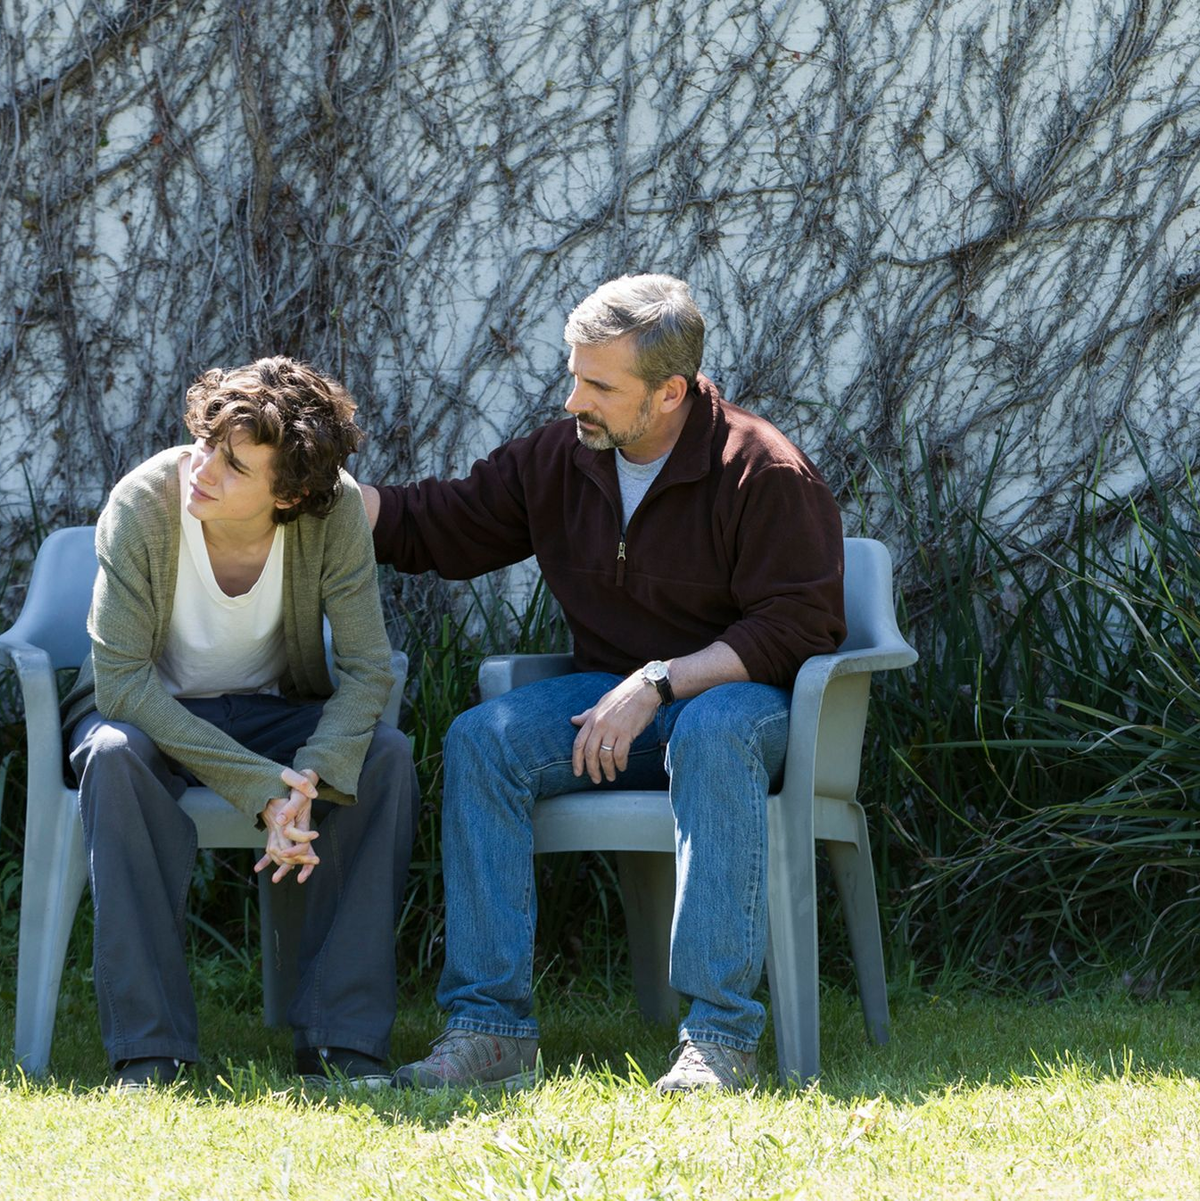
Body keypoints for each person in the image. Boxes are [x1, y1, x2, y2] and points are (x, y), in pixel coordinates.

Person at [364, 274, 846, 1093]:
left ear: (669, 391)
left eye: (597, 384)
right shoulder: (564, 457)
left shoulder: (761, 470)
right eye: (573, 372)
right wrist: (327, 498)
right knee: (482, 740)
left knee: (714, 727)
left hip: (745, 704)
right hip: (610, 700)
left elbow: (799, 627)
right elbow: (442, 523)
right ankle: (491, 1030)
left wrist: (658, 682)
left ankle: (720, 1039)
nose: (572, 397)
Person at [62, 356, 418, 1091]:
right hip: (145, 715)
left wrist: (310, 773)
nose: (203, 469)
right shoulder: (143, 503)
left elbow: (367, 668)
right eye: (205, 443)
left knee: (382, 756)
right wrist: (261, 787)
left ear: (287, 495)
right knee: (112, 757)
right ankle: (149, 1053)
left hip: (269, 713)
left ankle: (340, 1041)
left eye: (232, 465)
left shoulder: (336, 511)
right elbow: (122, 683)